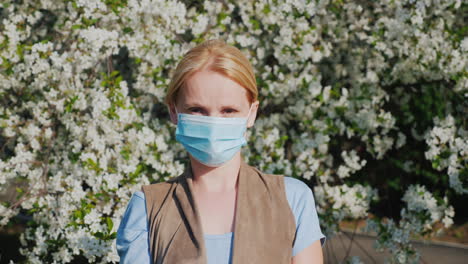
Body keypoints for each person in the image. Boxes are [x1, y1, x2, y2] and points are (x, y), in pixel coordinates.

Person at [116, 39, 325, 264]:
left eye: (228, 110)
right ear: (174, 112)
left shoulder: (291, 199)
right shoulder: (149, 207)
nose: (213, 123)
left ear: (251, 113)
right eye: (197, 110)